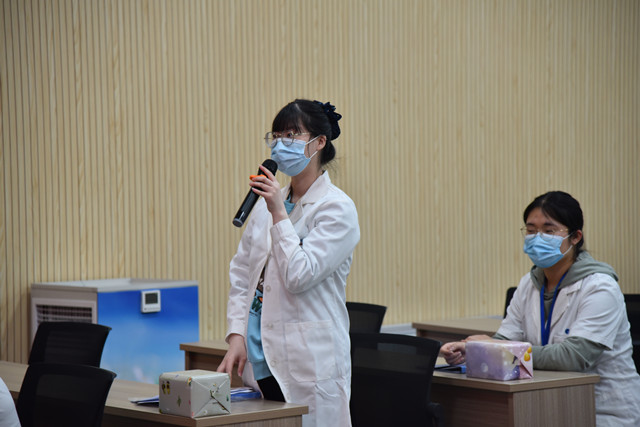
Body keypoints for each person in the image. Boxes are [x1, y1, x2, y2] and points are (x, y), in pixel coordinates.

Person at [441, 191, 640, 426]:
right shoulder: (529, 283)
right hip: (544, 403)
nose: (537, 238)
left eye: (549, 231)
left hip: (601, 409)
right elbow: (506, 339)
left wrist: (497, 347)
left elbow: (573, 357)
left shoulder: (600, 287)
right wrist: (473, 351)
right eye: (531, 230)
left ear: (575, 237)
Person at [217, 99, 360, 427]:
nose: (282, 143)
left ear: (319, 142)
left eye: (292, 135)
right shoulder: (269, 202)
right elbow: (243, 273)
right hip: (259, 358)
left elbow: (299, 275)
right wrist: (236, 334)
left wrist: (279, 214)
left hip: (308, 364)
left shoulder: (336, 209)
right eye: (277, 135)